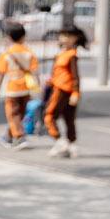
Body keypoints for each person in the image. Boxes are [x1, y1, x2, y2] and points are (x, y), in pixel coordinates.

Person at [44, 25, 86, 158]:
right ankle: (69, 144)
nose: (64, 39)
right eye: (63, 35)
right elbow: (57, 72)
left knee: (50, 115)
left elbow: (75, 76)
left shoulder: (71, 55)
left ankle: (61, 141)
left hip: (63, 90)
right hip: (58, 87)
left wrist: (75, 93)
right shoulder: (61, 54)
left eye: (68, 36)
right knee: (68, 118)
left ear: (75, 39)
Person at [0, 22, 38, 148]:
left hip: (12, 89)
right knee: (20, 114)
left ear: (8, 37)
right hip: (26, 88)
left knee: (13, 114)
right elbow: (35, 72)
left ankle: (18, 137)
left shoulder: (7, 54)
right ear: (23, 36)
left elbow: (0, 74)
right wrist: (37, 88)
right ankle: (8, 136)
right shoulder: (29, 52)